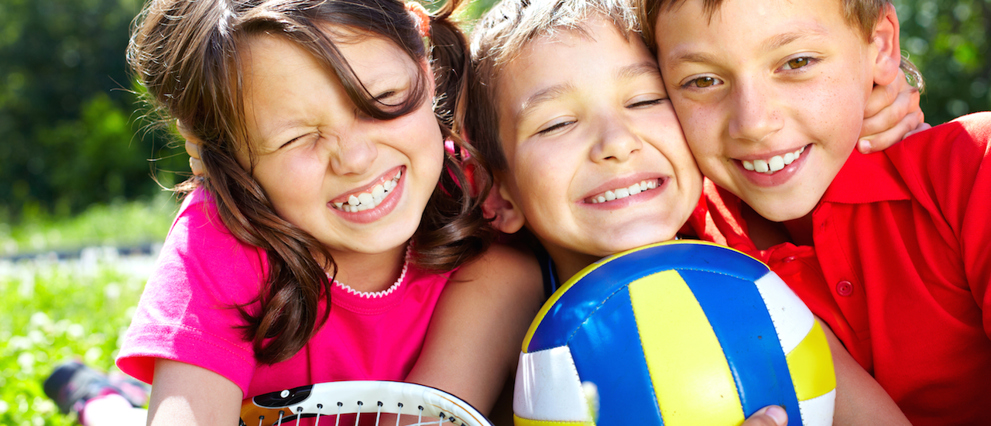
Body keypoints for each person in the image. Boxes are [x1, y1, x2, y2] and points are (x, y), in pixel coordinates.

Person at [41, 0, 546, 425]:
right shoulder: (223, 239)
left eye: (383, 99)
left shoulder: (486, 196)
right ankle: (101, 399)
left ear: (420, 47)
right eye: (296, 137)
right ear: (216, 151)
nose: (356, 159)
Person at [462, 0, 923, 423]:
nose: (617, 144)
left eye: (645, 101)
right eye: (557, 123)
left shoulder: (757, 294)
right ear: (496, 191)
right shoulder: (501, 288)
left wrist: (874, 79)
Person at [639, 0, 991, 423]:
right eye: (703, 80)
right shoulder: (669, 234)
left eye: (797, 61)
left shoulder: (972, 170)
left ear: (880, 47)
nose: (753, 122)